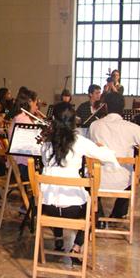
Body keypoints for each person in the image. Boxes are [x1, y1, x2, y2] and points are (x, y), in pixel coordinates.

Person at [39, 102, 118, 256]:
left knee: (55, 188)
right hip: (73, 209)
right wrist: (102, 147)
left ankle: (58, 238)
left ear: (53, 119)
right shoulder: (79, 141)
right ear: (74, 120)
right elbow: (107, 157)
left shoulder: (46, 144)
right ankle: (76, 247)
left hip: (47, 207)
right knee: (93, 209)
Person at [90, 92, 140, 219]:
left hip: (98, 178)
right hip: (122, 180)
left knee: (90, 175)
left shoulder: (94, 126)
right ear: (123, 108)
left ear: (105, 107)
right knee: (130, 177)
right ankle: (118, 214)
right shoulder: (131, 128)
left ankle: (97, 214)